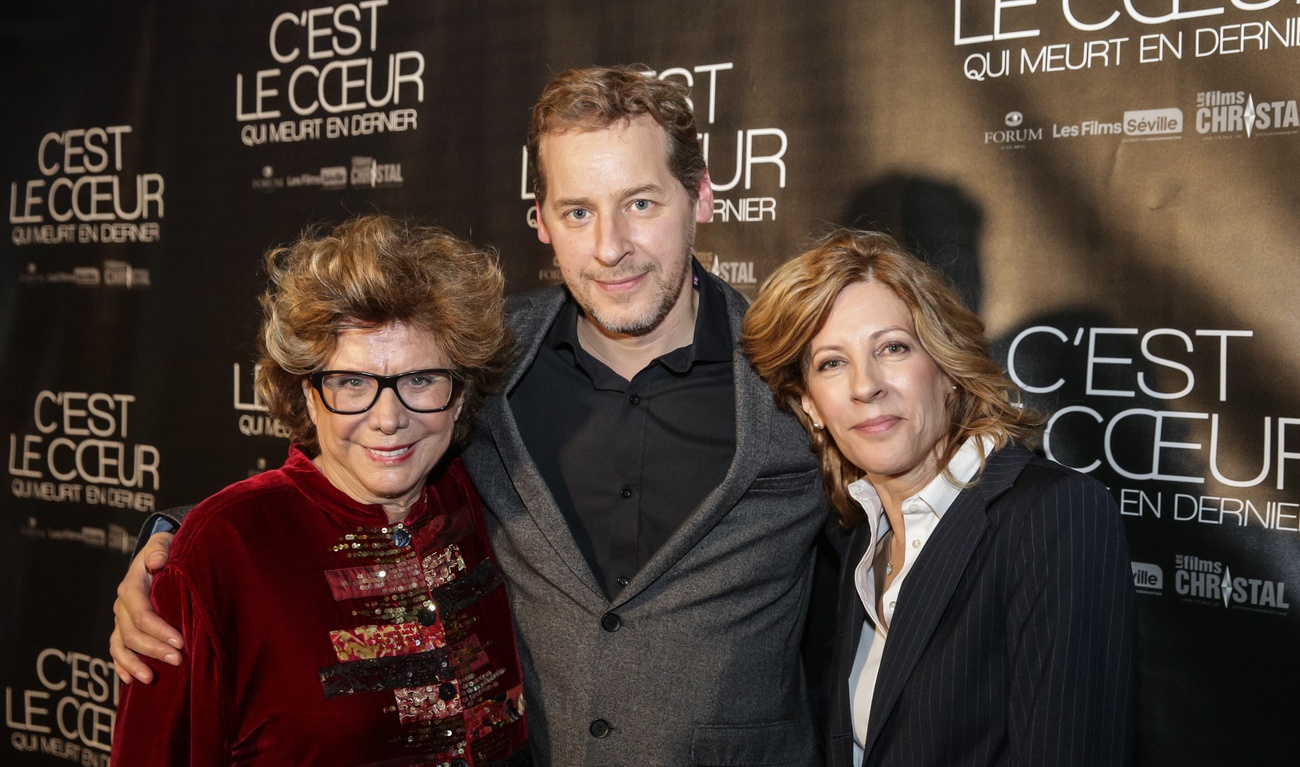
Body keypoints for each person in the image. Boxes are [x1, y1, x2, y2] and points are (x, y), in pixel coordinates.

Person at [111, 67, 830, 765]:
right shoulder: (486, 358)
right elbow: (341, 470)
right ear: (541, 221)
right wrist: (174, 547)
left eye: (641, 204)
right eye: (578, 211)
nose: (611, 246)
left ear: (702, 198)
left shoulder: (798, 369)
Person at [110, 215, 530, 766]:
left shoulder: (482, 499)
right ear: (308, 394)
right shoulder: (218, 555)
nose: (388, 418)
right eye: (352, 383)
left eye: (420, 379)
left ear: (459, 394)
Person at [741, 228, 1136, 766]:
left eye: (893, 348)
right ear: (809, 404)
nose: (866, 385)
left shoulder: (1051, 515)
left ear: (947, 368)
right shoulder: (860, 536)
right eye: (831, 362)